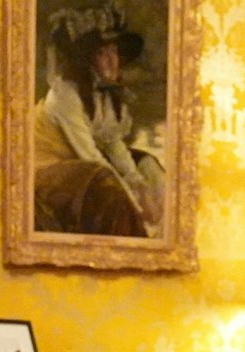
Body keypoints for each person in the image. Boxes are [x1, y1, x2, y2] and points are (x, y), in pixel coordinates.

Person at [33, 3, 164, 238]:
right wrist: (136, 205)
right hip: (46, 168)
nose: (112, 61)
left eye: (114, 52)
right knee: (103, 180)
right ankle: (139, 233)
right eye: (102, 53)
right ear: (87, 59)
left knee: (148, 164)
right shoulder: (65, 94)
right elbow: (91, 156)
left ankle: (162, 233)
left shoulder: (105, 93)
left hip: (80, 160)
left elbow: (113, 143)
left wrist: (140, 185)